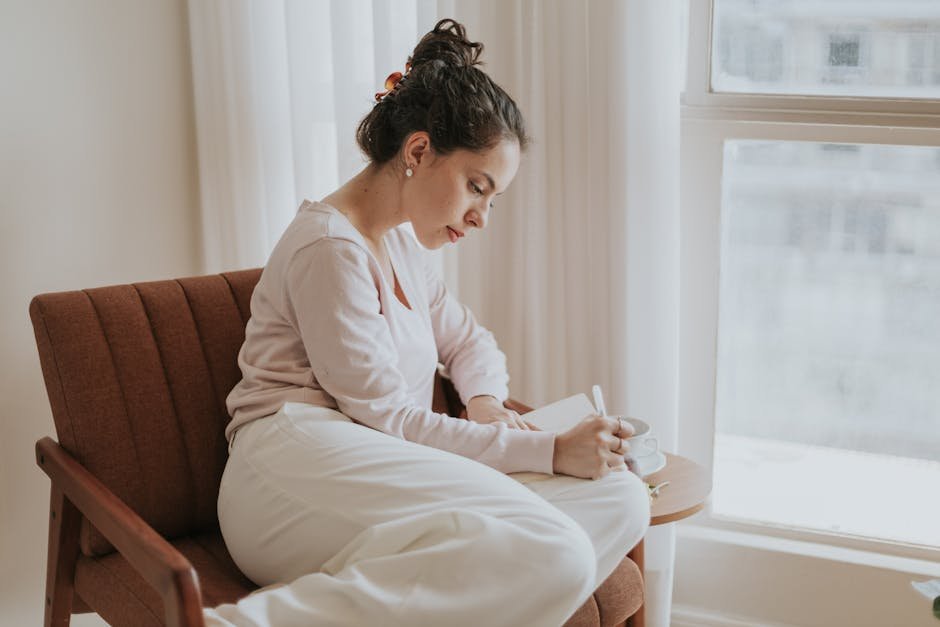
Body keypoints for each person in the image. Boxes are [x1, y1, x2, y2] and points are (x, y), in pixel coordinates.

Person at [203, 18, 650, 627]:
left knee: (621, 497)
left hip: (381, 463)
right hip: (292, 464)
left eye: (492, 200)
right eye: (476, 187)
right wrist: (542, 448)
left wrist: (487, 403)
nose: (481, 217)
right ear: (418, 152)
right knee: (563, 550)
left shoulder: (405, 244)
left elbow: (469, 342)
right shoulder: (330, 248)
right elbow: (386, 417)